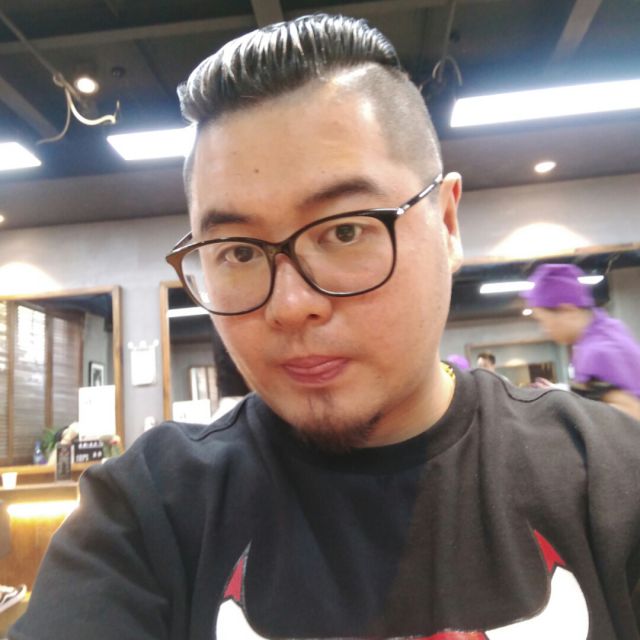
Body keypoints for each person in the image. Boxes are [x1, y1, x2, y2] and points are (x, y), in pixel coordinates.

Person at [11, 14, 640, 640]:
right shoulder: (149, 512)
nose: (289, 306)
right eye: (238, 251)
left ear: (447, 224)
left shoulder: (610, 477)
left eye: (344, 230)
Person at [524, 263, 640, 420]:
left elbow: (633, 414)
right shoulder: (609, 328)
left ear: (568, 310)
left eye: (543, 320)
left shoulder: (596, 353)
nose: (544, 329)